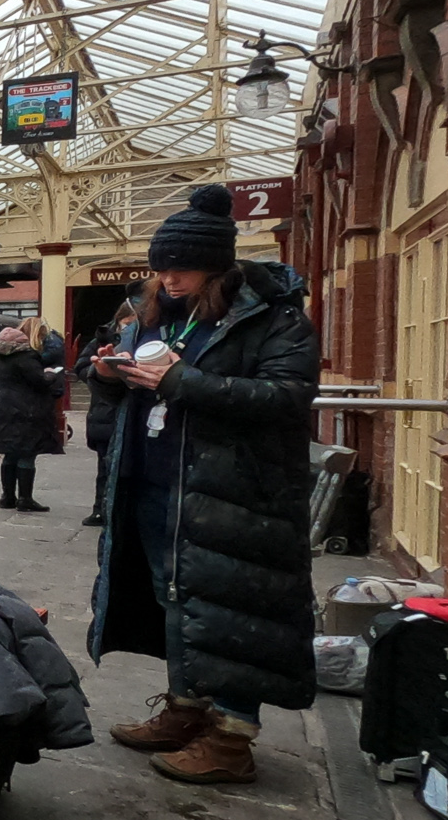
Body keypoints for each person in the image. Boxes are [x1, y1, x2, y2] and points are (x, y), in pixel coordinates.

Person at [88, 183, 319, 785]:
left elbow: (287, 397)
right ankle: (187, 710)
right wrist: (109, 374)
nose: (168, 279)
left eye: (182, 268)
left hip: (234, 495)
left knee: (231, 608)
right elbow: (133, 388)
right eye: (161, 267)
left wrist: (178, 382)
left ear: (217, 267)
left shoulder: (273, 318)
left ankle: (232, 738)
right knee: (176, 601)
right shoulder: (156, 315)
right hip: (155, 483)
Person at [72, 295, 138, 527]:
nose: (130, 329)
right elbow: (81, 366)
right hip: (105, 410)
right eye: (127, 323)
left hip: (133, 410)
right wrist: (101, 373)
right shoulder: (103, 339)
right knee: (105, 465)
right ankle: (101, 509)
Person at [0, 323, 65, 512]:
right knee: (27, 452)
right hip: (26, 409)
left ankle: (7, 497)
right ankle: (25, 499)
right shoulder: (25, 357)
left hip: (3, 408)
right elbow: (39, 381)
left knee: (10, 453)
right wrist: (50, 375)